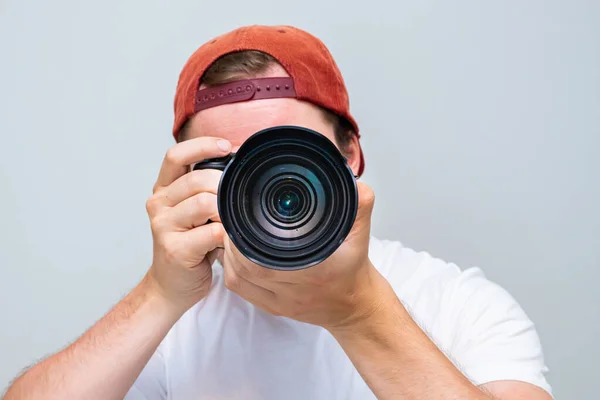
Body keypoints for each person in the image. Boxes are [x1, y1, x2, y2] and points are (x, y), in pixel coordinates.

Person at [4, 25, 553, 400]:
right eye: (229, 164)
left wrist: (358, 314)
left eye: (287, 155)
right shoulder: (177, 316)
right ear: (187, 178)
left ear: (351, 154)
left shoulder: (460, 304)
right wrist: (161, 292)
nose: (267, 187)